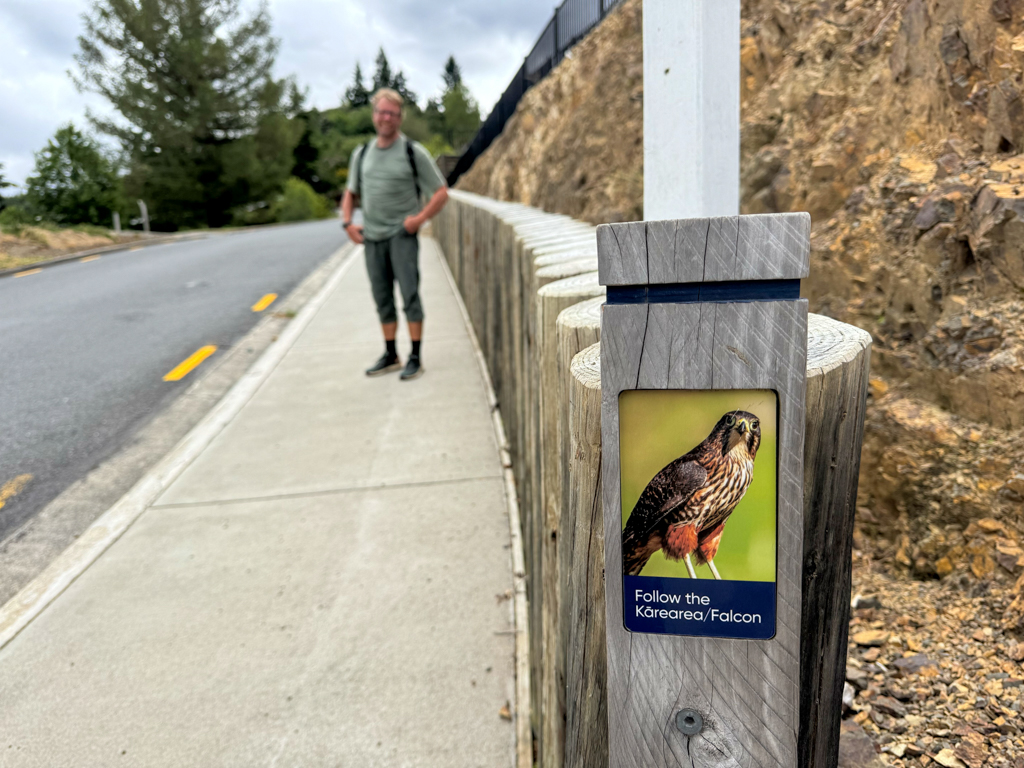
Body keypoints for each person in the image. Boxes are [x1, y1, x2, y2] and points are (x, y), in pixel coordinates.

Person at [340, 88, 449, 381]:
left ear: (400, 118)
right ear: (373, 115)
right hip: (371, 238)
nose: (386, 118)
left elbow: (441, 192)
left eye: (392, 113)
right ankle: (391, 354)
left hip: (401, 236)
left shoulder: (413, 152)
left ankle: (415, 356)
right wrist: (347, 224)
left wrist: (420, 219)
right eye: (381, 112)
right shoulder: (362, 154)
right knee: (382, 298)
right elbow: (350, 192)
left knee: (410, 295)